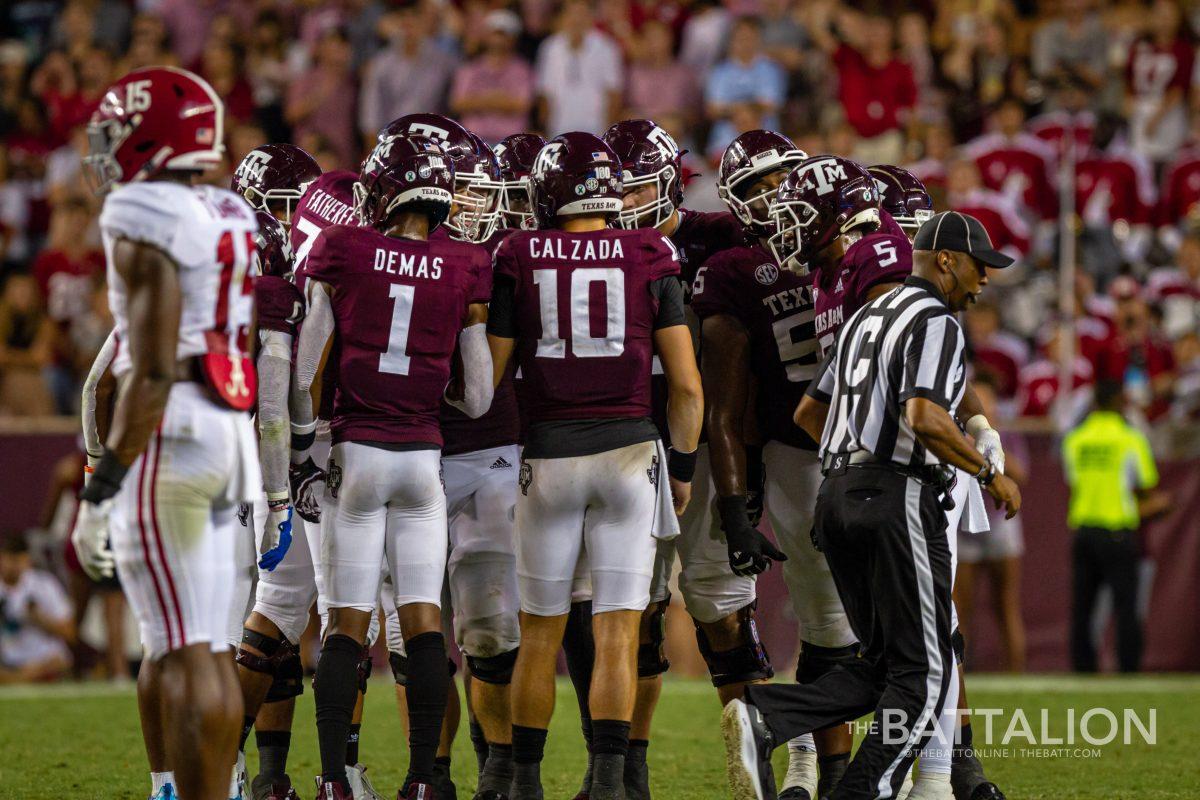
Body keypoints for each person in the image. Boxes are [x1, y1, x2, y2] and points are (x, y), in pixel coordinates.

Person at [722, 210, 1021, 800]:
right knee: (928, 671)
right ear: (946, 260)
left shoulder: (863, 318)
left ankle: (769, 713)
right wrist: (988, 472)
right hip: (895, 497)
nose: (983, 282)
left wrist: (854, 463)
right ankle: (863, 790)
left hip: (835, 495)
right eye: (978, 267)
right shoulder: (934, 318)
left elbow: (809, 414)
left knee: (889, 666)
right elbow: (926, 416)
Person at [486, 131, 703, 800]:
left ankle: (525, 784)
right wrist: (685, 470)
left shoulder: (517, 252)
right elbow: (689, 386)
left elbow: (489, 378)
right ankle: (610, 782)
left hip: (549, 455)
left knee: (539, 634)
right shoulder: (649, 251)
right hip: (631, 454)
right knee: (616, 635)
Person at [70, 66, 261, 800]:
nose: (106, 149)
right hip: (226, 432)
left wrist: (102, 486)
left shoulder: (140, 210)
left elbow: (145, 371)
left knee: (179, 656)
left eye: (116, 133)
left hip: (172, 431)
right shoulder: (228, 210)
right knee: (209, 649)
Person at [296, 133, 494, 800]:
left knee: (347, 623)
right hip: (423, 460)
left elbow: (304, 370)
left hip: (357, 454)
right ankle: (421, 782)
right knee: (424, 625)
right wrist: (429, 384)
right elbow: (480, 394)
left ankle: (332, 781)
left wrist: (300, 446)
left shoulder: (347, 249)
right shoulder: (464, 263)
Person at [700, 144, 871, 800]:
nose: (776, 191)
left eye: (783, 177)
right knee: (835, 621)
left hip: (841, 438)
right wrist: (736, 499)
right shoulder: (740, 268)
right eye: (760, 183)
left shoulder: (842, 245)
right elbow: (730, 400)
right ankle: (822, 764)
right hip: (801, 444)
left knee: (859, 623)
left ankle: (827, 765)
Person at [377, 113, 521, 800]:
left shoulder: (506, 257)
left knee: (490, 630)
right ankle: (429, 774)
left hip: (488, 445)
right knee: (410, 637)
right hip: (403, 446)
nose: (465, 204)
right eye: (451, 189)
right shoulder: (373, 253)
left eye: (472, 189)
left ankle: (497, 763)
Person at [1062, 380, 1168, 673]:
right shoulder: (1130, 438)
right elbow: (1146, 486)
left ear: (1094, 402)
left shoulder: (1076, 439)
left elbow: (1072, 482)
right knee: (1126, 607)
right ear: (1121, 403)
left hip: (1084, 529)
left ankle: (1083, 669)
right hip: (1118, 530)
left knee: (1082, 607)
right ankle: (1128, 668)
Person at [955, 377, 1027, 673]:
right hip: (963, 525)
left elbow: (1021, 476)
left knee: (1006, 603)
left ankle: (1016, 675)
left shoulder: (1005, 435)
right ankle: (959, 676)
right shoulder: (954, 433)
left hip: (1000, 523)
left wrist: (988, 445)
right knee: (960, 609)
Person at [534, 0, 624, 136]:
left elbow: (614, 93)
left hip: (596, 131)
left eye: (582, 13)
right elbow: (545, 93)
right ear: (563, 16)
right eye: (572, 13)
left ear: (592, 16)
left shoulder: (607, 47)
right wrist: (546, 130)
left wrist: (607, 134)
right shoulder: (550, 47)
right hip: (558, 130)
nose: (577, 19)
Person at [0, 534, 75, 684]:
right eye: (9, 559)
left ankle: (16, 680)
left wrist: (38, 618)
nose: (14, 566)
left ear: (27, 560)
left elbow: (70, 633)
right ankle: (20, 679)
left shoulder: (44, 584)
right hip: (8, 660)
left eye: (19, 560)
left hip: (43, 660)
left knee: (59, 661)